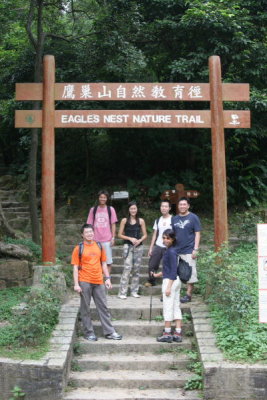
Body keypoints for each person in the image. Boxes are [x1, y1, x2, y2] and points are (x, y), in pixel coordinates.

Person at [71, 223, 122, 341]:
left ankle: (109, 332)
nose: (89, 234)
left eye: (91, 232)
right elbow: (75, 267)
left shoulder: (99, 246)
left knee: (103, 307)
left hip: (98, 281)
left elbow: (104, 263)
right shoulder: (78, 248)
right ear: (82, 235)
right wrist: (76, 284)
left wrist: (107, 278)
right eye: (87, 232)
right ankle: (89, 333)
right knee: (85, 308)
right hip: (84, 281)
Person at [152, 229, 182, 343]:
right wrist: (158, 274)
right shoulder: (171, 250)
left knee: (168, 307)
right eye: (164, 238)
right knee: (175, 306)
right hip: (175, 280)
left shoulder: (171, 252)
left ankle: (167, 333)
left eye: (168, 238)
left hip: (171, 281)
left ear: (173, 239)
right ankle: (178, 333)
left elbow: (173, 270)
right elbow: (168, 268)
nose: (165, 240)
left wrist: (169, 287)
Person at [172, 197, 201, 303]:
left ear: (188, 205)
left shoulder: (193, 217)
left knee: (190, 273)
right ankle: (174, 294)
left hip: (189, 249)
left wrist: (196, 249)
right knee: (174, 273)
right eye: (180, 204)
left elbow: (197, 233)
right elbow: (172, 234)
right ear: (178, 206)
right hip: (176, 250)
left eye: (184, 204)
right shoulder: (174, 219)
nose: (182, 206)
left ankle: (188, 295)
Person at [117, 201, 147, 299]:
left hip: (139, 247)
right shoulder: (124, 220)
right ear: (129, 210)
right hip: (127, 246)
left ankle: (134, 291)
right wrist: (130, 238)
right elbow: (119, 234)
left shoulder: (141, 221)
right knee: (127, 268)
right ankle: (122, 292)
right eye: (131, 209)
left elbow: (145, 234)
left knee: (136, 270)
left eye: (134, 208)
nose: (133, 210)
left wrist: (139, 240)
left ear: (137, 209)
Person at [87, 190, 117, 275]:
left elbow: (113, 224)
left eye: (104, 197)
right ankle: (98, 279)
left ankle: (107, 279)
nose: (102, 199)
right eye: (101, 197)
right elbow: (89, 225)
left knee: (108, 261)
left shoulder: (110, 209)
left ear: (107, 198)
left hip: (107, 239)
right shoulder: (93, 210)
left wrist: (113, 237)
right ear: (98, 198)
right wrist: (89, 238)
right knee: (96, 261)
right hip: (95, 240)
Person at [145, 200, 172, 287]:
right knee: (152, 265)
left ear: (169, 208)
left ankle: (167, 285)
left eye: (166, 206)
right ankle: (151, 281)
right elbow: (154, 235)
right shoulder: (158, 220)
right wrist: (151, 248)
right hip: (158, 245)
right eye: (162, 206)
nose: (164, 208)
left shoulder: (173, 219)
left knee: (167, 266)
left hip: (168, 247)